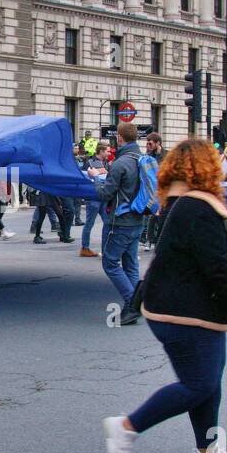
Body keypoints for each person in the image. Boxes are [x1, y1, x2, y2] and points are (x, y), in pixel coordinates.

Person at [102, 140, 227, 453]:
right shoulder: (197, 206)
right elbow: (217, 265)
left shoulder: (183, 203)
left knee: (208, 380)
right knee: (199, 383)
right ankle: (127, 427)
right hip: (182, 310)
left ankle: (206, 450)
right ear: (204, 168)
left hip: (189, 307)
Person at [96, 121, 149, 324]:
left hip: (119, 221)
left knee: (110, 262)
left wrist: (96, 179)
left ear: (120, 137)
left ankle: (131, 303)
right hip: (138, 219)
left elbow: (105, 193)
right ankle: (135, 305)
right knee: (130, 263)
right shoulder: (142, 159)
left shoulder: (120, 163)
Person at [80, 141, 110, 258]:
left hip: (103, 196)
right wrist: (97, 173)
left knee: (107, 222)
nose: (108, 153)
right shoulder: (89, 162)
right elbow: (83, 177)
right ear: (101, 151)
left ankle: (105, 248)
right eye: (107, 150)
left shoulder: (106, 163)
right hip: (93, 197)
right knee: (90, 223)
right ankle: (85, 248)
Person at [141, 133, 165, 252]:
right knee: (152, 216)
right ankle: (149, 240)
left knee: (161, 216)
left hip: (164, 189)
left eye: (150, 143)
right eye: (147, 143)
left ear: (158, 143)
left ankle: (157, 240)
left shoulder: (166, 155)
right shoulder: (148, 155)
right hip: (152, 190)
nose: (148, 145)